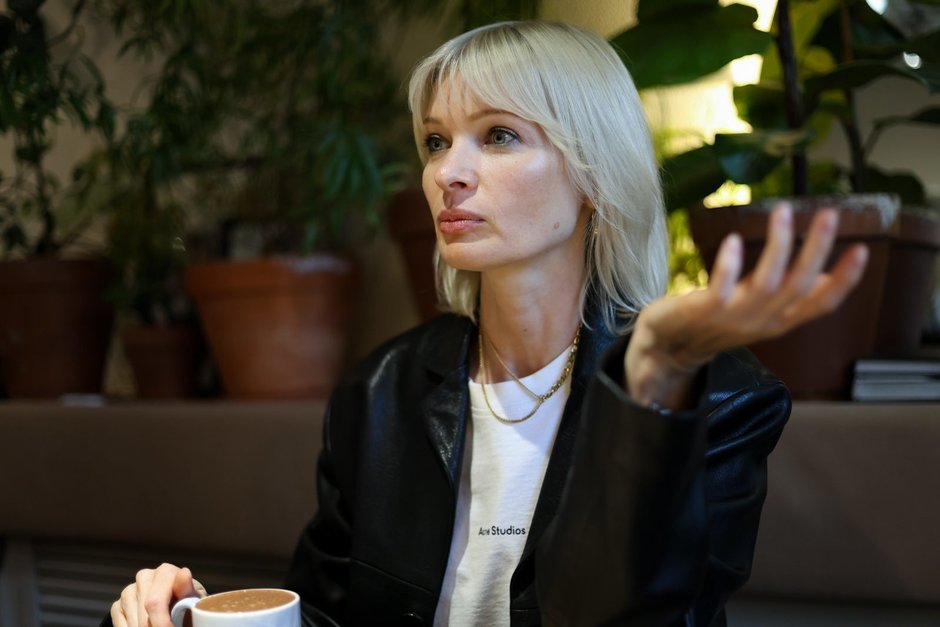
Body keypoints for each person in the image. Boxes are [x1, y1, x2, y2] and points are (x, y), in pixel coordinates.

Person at [106, 20, 868, 627]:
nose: (448, 172)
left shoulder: (717, 397)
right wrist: (199, 613)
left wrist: (654, 387)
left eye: (498, 135)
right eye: (436, 141)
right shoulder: (382, 390)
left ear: (593, 172)